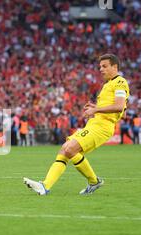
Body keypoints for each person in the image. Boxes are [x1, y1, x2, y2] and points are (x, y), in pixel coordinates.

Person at [23, 54, 129, 195]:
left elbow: (119, 107)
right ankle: (45, 186)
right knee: (65, 149)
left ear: (115, 67)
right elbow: (122, 110)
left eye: (104, 66)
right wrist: (96, 107)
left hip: (102, 127)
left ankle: (94, 181)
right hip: (94, 124)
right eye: (100, 67)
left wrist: (96, 109)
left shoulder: (120, 82)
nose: (101, 69)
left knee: (71, 149)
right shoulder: (107, 85)